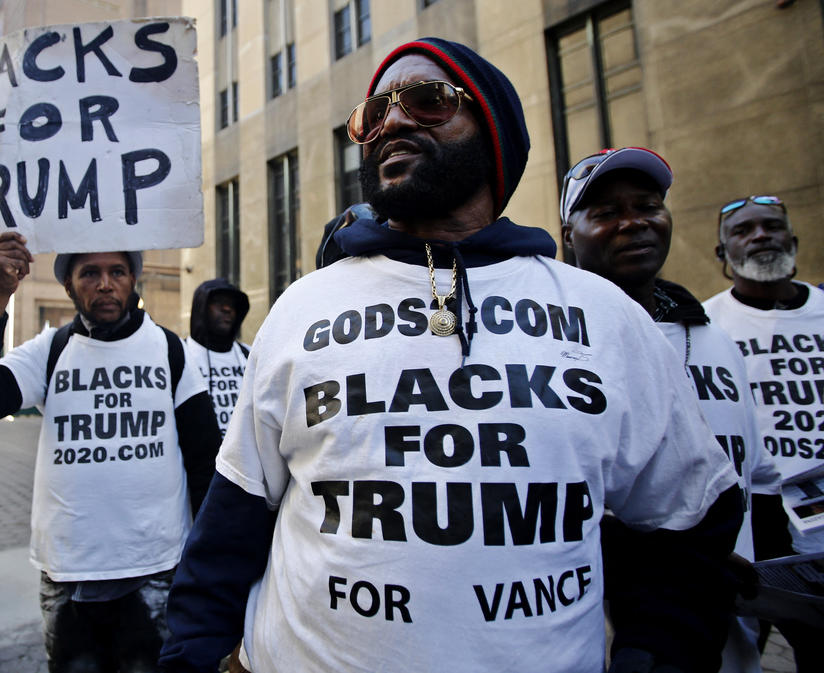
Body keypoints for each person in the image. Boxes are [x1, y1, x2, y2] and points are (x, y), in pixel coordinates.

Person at [159, 38, 743, 673]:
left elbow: (689, 517)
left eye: (429, 101)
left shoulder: (606, 316)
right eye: (375, 113)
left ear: (493, 133)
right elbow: (232, 520)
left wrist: (652, 654)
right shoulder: (302, 309)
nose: (396, 121)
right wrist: (194, 655)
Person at [0, 234, 221, 673]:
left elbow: (206, 458)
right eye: (90, 273)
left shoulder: (170, 351)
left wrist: (208, 562)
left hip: (155, 569)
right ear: (70, 287)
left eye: (117, 272)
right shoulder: (50, 351)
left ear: (134, 280)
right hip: (68, 575)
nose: (105, 284)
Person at [561, 147, 787, 673]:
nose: (633, 222)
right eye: (606, 213)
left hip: (738, 637)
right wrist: (688, 559)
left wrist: (774, 580)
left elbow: (758, 473)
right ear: (569, 235)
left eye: (647, 205)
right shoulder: (554, 345)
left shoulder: (716, 338)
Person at [703, 194, 824, 672]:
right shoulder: (705, 326)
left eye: (772, 226)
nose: (760, 236)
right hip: (759, 523)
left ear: (792, 240)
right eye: (744, 230)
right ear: (722, 255)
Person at [185, 280, 250, 438]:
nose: (227, 309)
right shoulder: (182, 354)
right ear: (201, 307)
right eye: (218, 303)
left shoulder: (248, 354)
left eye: (232, 305)